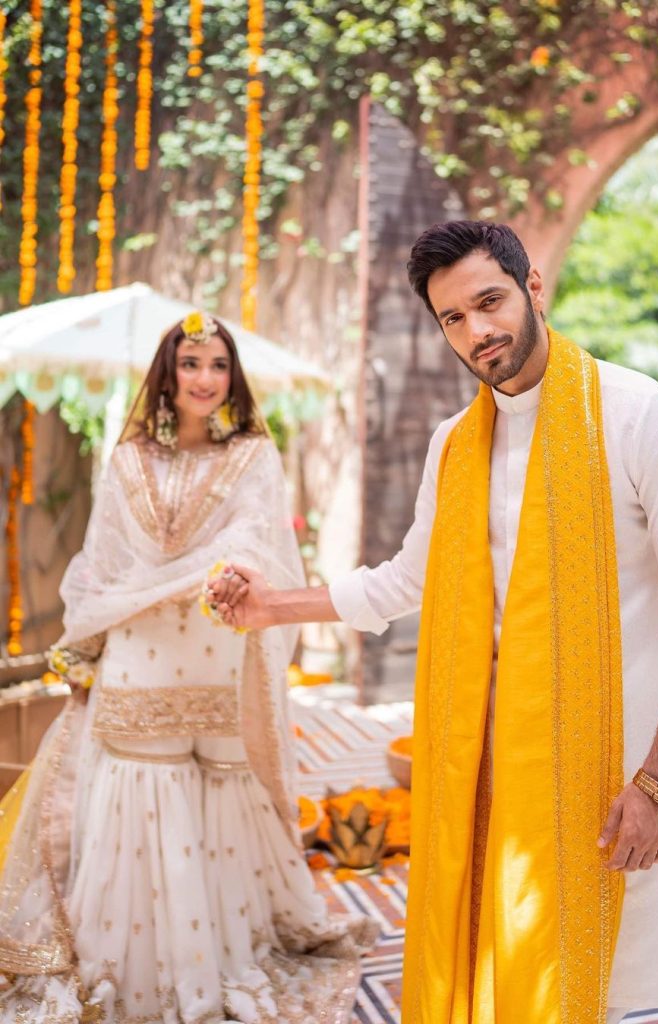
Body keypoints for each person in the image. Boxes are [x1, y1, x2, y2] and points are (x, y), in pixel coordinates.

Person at [209, 222, 658, 1024]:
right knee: (501, 974)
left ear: (532, 288)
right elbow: (404, 581)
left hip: (617, 774)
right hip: (494, 775)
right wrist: (269, 607)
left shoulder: (637, 417)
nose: (476, 331)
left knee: (620, 988)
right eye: (452, 317)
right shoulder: (456, 445)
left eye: (488, 301)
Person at [0, 312, 375, 1023]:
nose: (205, 378)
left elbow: (251, 549)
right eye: (191, 363)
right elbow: (105, 564)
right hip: (141, 652)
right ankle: (133, 972)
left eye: (217, 365)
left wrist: (214, 578)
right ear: (168, 374)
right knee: (142, 780)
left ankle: (214, 963)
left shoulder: (253, 456)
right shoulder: (130, 458)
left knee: (218, 792)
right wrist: (106, 627)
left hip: (214, 648)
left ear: (233, 378)